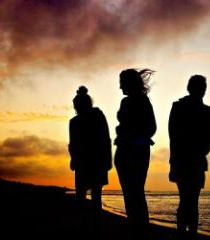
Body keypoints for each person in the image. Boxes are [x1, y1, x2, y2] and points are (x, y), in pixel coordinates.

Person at [168, 75, 210, 239]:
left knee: (189, 200)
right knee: (189, 200)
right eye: (200, 87)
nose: (202, 91)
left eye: (203, 87)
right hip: (186, 161)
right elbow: (173, 136)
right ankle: (186, 233)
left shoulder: (204, 110)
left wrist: (201, 152)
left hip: (191, 160)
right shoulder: (181, 107)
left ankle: (187, 233)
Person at [114, 68, 157, 239]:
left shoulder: (143, 102)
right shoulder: (125, 102)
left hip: (137, 152)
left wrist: (131, 136)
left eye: (122, 83)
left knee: (136, 193)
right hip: (124, 152)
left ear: (129, 83)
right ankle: (135, 228)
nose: (120, 87)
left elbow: (151, 128)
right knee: (130, 193)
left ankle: (140, 230)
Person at [68, 86, 112, 238]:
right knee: (92, 197)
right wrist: (73, 158)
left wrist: (107, 161)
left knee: (87, 197)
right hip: (91, 162)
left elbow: (106, 139)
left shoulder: (93, 117)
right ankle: (90, 227)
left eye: (76, 105)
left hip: (92, 162)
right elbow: (73, 144)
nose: (75, 108)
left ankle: (90, 228)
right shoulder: (94, 117)